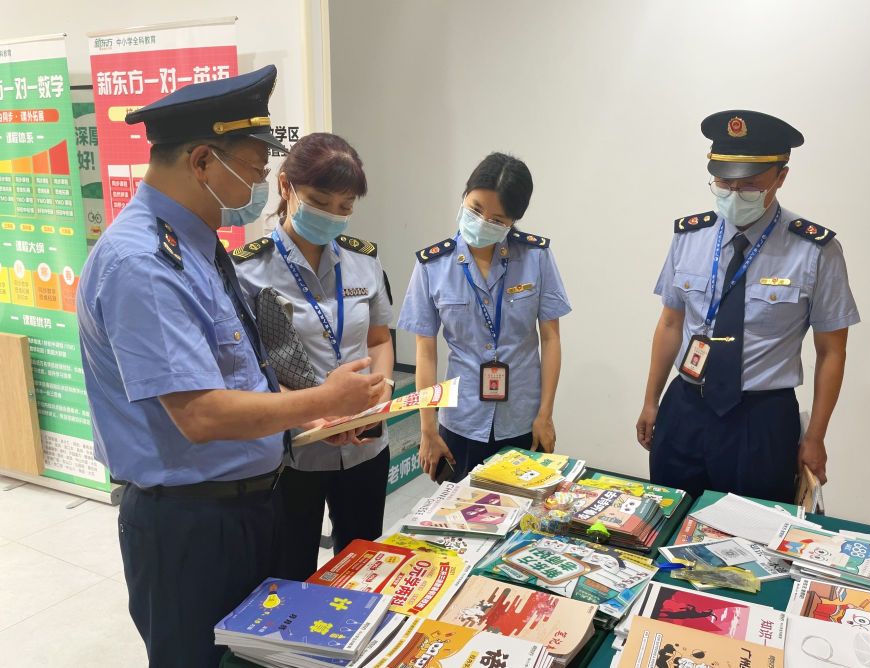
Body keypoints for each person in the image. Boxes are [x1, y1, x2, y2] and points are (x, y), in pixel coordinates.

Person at [76, 66, 384, 668]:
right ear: (201, 162)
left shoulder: (198, 245)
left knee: (253, 658)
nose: (261, 183)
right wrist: (324, 400)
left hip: (247, 507)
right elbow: (201, 414)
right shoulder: (144, 264)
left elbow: (244, 375)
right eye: (253, 168)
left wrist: (308, 422)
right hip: (190, 524)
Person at [636, 110, 859, 503]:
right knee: (669, 516)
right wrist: (651, 401)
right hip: (685, 407)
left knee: (752, 530)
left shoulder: (815, 250)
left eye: (750, 185)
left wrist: (816, 436)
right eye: (724, 183)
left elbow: (832, 351)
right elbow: (670, 323)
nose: (734, 194)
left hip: (761, 419)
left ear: (781, 177)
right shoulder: (690, 236)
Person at [231, 133, 394, 577]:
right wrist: (310, 414)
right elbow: (247, 373)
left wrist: (381, 392)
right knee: (289, 572)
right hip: (292, 452)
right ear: (286, 186)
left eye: (344, 206)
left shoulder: (365, 262)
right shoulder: (247, 270)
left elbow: (378, 340)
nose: (332, 215)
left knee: (362, 566)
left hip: (364, 444)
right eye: (320, 202)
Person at [397, 153, 571, 482]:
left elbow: (551, 339)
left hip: (523, 418)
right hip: (461, 419)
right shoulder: (433, 265)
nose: (482, 222)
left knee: (523, 508)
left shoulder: (536, 257)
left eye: (497, 219)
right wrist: (427, 428)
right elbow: (425, 351)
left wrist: (545, 414)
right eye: (476, 209)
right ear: (465, 196)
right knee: (459, 508)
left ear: (513, 221)